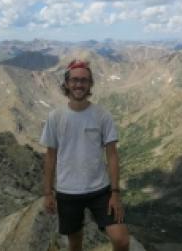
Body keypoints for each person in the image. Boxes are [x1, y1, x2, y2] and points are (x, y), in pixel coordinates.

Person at [40, 59, 129, 251]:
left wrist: (115, 193)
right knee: (75, 244)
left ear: (90, 84)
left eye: (84, 80)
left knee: (121, 240)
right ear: (66, 83)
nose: (79, 84)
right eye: (74, 80)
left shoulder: (102, 115)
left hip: (101, 190)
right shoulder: (55, 117)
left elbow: (112, 155)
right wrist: (48, 192)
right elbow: (50, 156)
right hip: (68, 191)